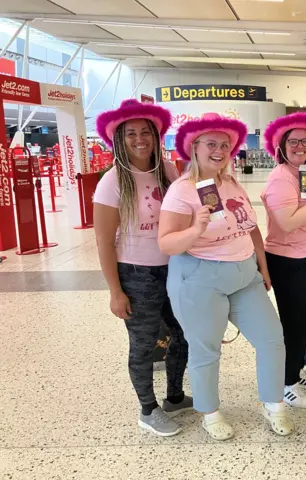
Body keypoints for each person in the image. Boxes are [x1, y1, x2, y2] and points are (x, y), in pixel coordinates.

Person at [158, 113, 293, 441]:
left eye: (225, 144)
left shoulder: (231, 183)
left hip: (244, 274)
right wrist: (196, 229)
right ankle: (210, 411)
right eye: (210, 143)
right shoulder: (181, 191)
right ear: (194, 147)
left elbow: (251, 226)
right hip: (200, 279)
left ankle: (274, 404)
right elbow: (166, 242)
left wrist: (262, 265)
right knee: (206, 350)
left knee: (272, 339)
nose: (219, 150)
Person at [93, 99, 190, 437]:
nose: (139, 138)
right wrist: (115, 291)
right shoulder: (112, 181)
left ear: (156, 135)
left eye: (146, 132)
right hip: (137, 274)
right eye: (131, 133)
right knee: (144, 344)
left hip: (174, 269)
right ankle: (148, 409)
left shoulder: (168, 170)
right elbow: (104, 241)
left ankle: (175, 396)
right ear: (119, 139)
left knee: (181, 335)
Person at [261, 113, 306, 409]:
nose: (300, 145)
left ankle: (293, 371)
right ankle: (286, 384)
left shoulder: (305, 173)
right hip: (293, 261)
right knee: (293, 325)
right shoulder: (280, 177)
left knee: (302, 324)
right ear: (281, 145)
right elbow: (288, 223)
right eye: (293, 141)